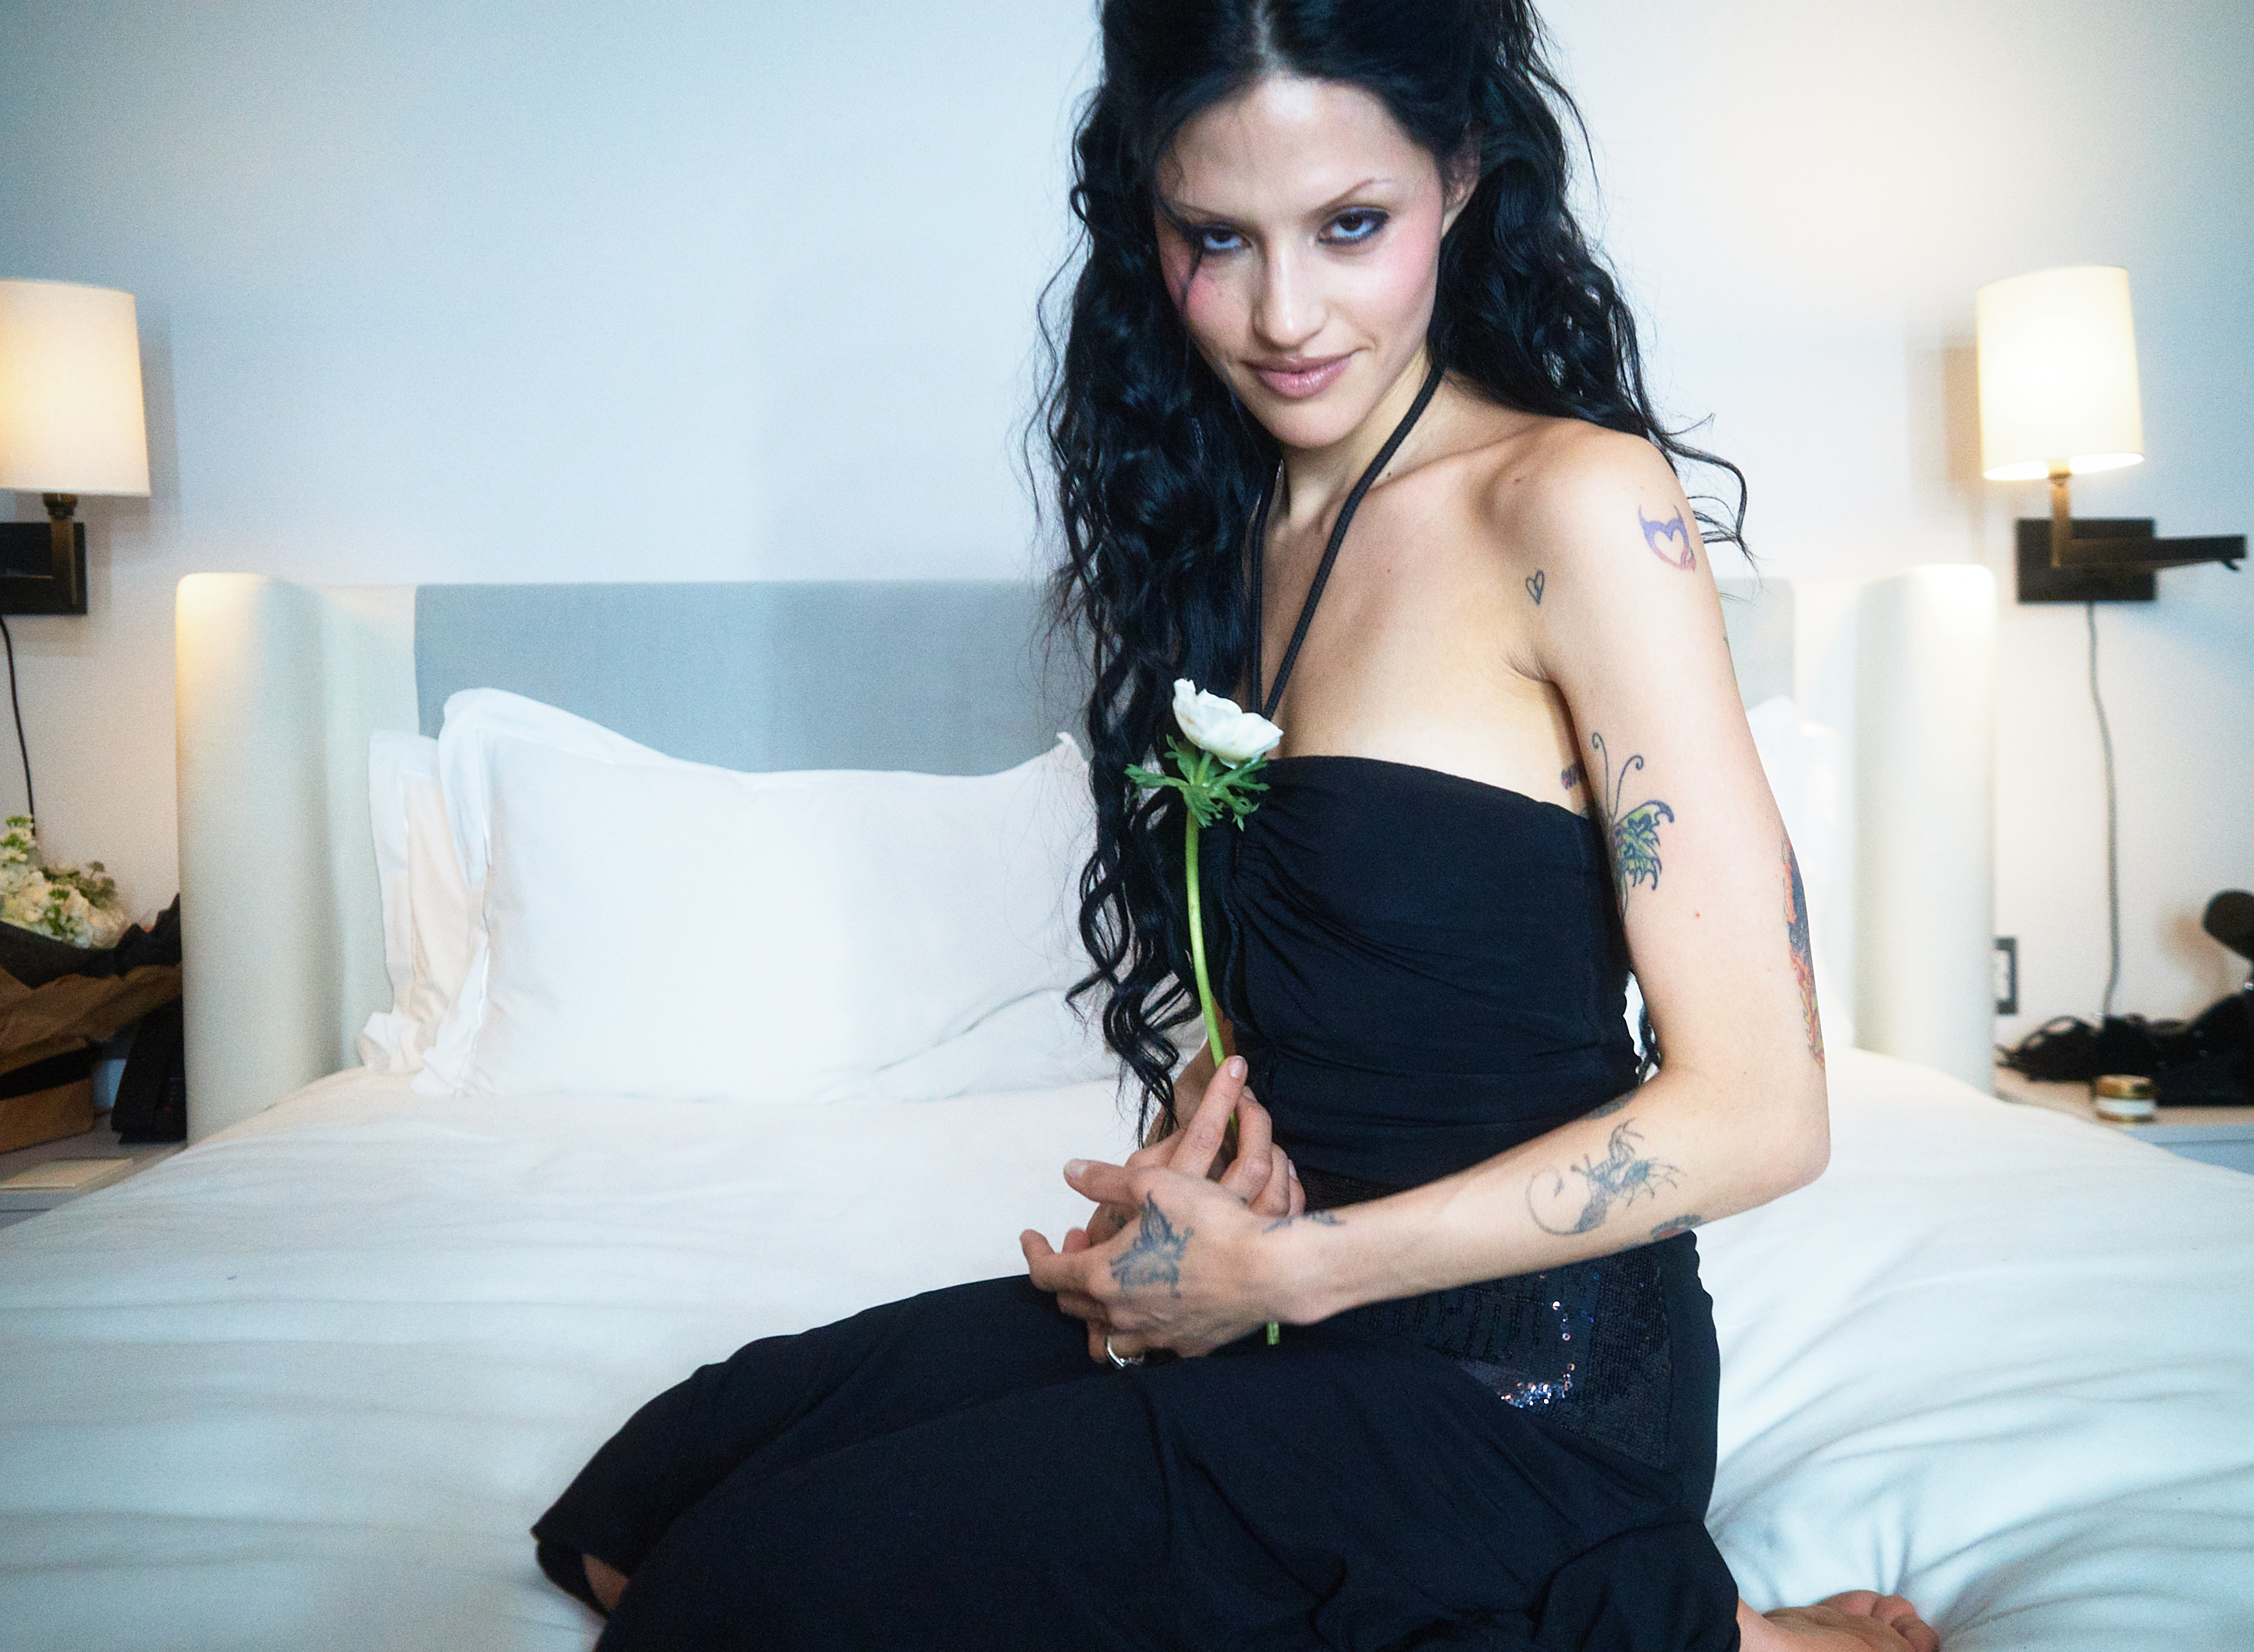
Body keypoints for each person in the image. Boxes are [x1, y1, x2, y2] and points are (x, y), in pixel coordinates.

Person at [533, 4, 1938, 1647]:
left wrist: (1293, 1269)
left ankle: (1689, 1623)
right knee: (644, 1502)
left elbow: (1766, 1112)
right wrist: (1193, 1177)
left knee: (726, 1603)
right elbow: (1333, 966)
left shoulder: (1570, 504)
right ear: (1149, 218)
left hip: (1518, 1380)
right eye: (1218, 237)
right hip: (1270, 1312)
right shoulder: (1225, 526)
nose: (1283, 315)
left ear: (1461, 174)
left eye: (1351, 226)